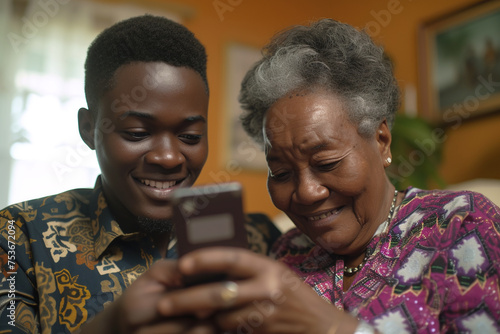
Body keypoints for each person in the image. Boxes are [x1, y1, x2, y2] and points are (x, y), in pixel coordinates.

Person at [132, 19, 500, 333]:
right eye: (280, 172)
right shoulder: (288, 252)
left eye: (327, 163)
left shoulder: (461, 224)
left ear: (382, 141)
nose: (306, 192)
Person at [0, 15, 280, 333]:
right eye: (136, 132)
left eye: (189, 136)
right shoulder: (17, 236)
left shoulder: (259, 239)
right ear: (89, 129)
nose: (169, 157)